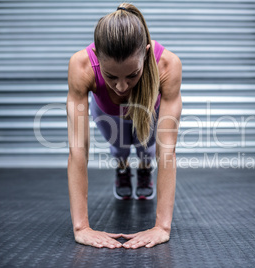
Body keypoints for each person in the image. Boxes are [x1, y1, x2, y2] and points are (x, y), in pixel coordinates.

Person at [66, 3, 182, 249]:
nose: (121, 87)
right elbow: (78, 149)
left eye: (132, 75)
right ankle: (122, 168)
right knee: (119, 148)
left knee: (148, 148)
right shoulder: (81, 66)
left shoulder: (167, 66)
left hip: (150, 111)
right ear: (97, 57)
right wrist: (81, 227)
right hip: (107, 113)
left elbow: (168, 151)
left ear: (147, 54)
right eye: (110, 76)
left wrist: (162, 227)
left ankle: (143, 168)